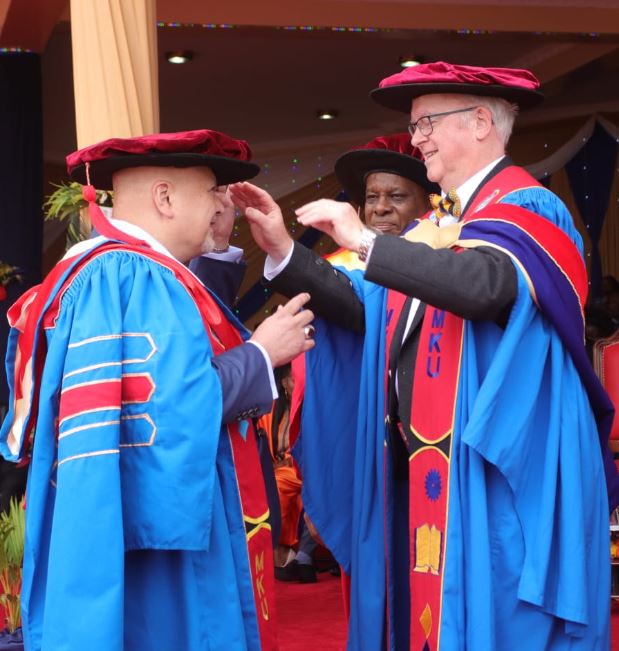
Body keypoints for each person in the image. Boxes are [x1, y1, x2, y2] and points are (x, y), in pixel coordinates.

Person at [230, 62, 618, 650]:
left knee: (500, 619)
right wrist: (284, 249)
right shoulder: (448, 226)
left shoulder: (530, 209)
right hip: (435, 470)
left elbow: (484, 286)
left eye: (428, 122)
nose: (417, 139)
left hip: (501, 476)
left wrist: (363, 239)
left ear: (482, 121)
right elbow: (369, 312)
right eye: (416, 125)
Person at [0, 128, 316, 651]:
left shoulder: (108, 268)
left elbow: (176, 358)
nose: (225, 203)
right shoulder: (134, 274)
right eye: (214, 190)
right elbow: (172, 405)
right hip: (154, 546)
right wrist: (263, 352)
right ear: (165, 198)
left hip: (114, 514)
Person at [334, 132, 437, 236]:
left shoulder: (450, 248)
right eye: (371, 197)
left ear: (432, 202)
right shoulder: (351, 252)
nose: (380, 208)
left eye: (397, 196)